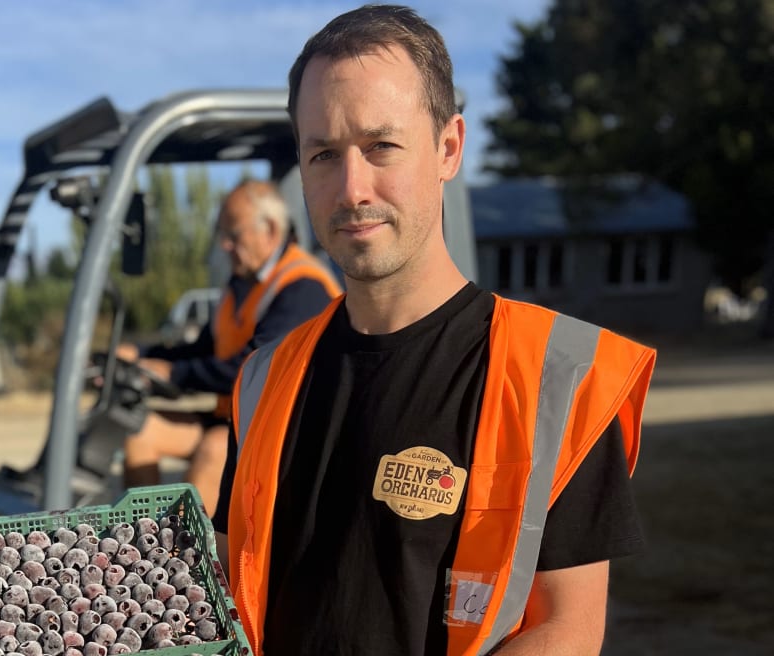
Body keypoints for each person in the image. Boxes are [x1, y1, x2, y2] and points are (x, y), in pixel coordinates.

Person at [212, 5, 657, 656]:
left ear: (448, 148)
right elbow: (229, 587)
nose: (351, 187)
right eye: (323, 155)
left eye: (380, 146)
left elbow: (567, 628)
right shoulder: (263, 381)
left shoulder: (555, 378)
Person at [120, 179, 341, 516]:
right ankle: (145, 541)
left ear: (269, 229)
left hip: (283, 435)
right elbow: (203, 350)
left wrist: (175, 374)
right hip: (235, 420)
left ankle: (184, 559)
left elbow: (252, 370)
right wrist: (144, 357)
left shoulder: (303, 287)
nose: (224, 245)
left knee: (215, 448)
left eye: (233, 235)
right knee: (140, 431)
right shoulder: (241, 285)